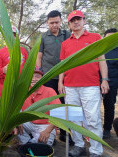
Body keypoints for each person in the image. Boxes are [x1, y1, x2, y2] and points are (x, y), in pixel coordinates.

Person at [58, 10, 109, 157]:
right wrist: (61, 81)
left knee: (93, 118)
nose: (75, 22)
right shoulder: (65, 43)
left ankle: (95, 150)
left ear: (84, 20)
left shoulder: (95, 37)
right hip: (70, 86)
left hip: (90, 85)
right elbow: (62, 64)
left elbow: (102, 60)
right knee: (73, 118)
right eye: (72, 20)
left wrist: (104, 80)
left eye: (78, 19)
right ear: (69, 24)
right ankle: (78, 145)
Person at [35, 10, 72, 144]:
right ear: (47, 23)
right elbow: (39, 56)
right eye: (51, 23)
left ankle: (64, 133)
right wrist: (39, 73)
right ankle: (50, 133)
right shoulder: (44, 37)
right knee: (47, 105)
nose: (54, 25)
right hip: (47, 76)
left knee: (62, 105)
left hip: (65, 76)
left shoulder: (67, 35)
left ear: (61, 21)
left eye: (57, 22)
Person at [18, 69, 60, 146]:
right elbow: (17, 108)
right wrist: (18, 122)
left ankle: (33, 142)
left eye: (37, 77)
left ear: (42, 79)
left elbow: (58, 114)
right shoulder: (24, 91)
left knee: (43, 146)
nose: (34, 79)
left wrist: (47, 131)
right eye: (32, 77)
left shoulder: (50, 91)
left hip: (45, 125)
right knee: (15, 125)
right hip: (29, 123)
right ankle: (27, 144)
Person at [102, 28, 118, 139]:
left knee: (109, 106)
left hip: (112, 82)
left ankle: (107, 129)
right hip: (96, 81)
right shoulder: (99, 49)